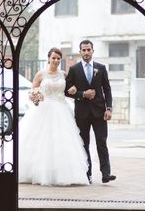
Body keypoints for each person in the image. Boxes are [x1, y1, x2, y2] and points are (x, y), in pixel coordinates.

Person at [18, 47, 90, 186]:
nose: (56, 61)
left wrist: (74, 89)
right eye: (54, 58)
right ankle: (37, 172)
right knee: (41, 140)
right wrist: (35, 95)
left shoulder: (64, 74)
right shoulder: (41, 74)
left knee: (61, 142)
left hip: (61, 109)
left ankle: (61, 173)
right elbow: (32, 89)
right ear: (49, 58)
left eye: (58, 58)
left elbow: (71, 88)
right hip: (43, 109)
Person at [65, 39, 116, 184]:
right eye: (84, 50)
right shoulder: (74, 69)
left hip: (100, 112)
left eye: (89, 49)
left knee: (101, 142)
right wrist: (82, 94)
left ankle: (106, 174)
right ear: (80, 51)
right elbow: (67, 91)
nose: (86, 52)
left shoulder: (101, 68)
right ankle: (87, 174)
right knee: (84, 144)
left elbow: (107, 89)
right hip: (82, 113)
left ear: (93, 51)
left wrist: (109, 108)